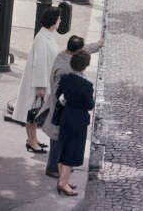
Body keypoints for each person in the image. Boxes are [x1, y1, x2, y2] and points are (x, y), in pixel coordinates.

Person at [40, 34, 103, 179]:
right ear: (76, 51)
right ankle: (53, 167)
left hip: (64, 109)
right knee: (57, 139)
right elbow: (59, 93)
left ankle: (62, 166)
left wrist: (98, 45)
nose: (84, 51)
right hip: (60, 108)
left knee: (63, 139)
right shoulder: (65, 70)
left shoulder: (69, 54)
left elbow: (85, 49)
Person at [14, 7, 61, 154]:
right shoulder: (42, 39)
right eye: (59, 18)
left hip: (42, 81)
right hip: (38, 84)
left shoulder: (46, 35)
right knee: (33, 113)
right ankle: (32, 142)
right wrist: (40, 86)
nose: (60, 21)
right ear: (54, 21)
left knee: (34, 112)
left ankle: (33, 140)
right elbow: (39, 63)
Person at [56, 51, 95, 197]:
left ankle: (62, 179)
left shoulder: (65, 78)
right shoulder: (86, 85)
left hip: (66, 116)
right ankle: (63, 183)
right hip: (78, 119)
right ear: (85, 66)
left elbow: (58, 95)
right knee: (72, 151)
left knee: (64, 147)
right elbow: (90, 104)